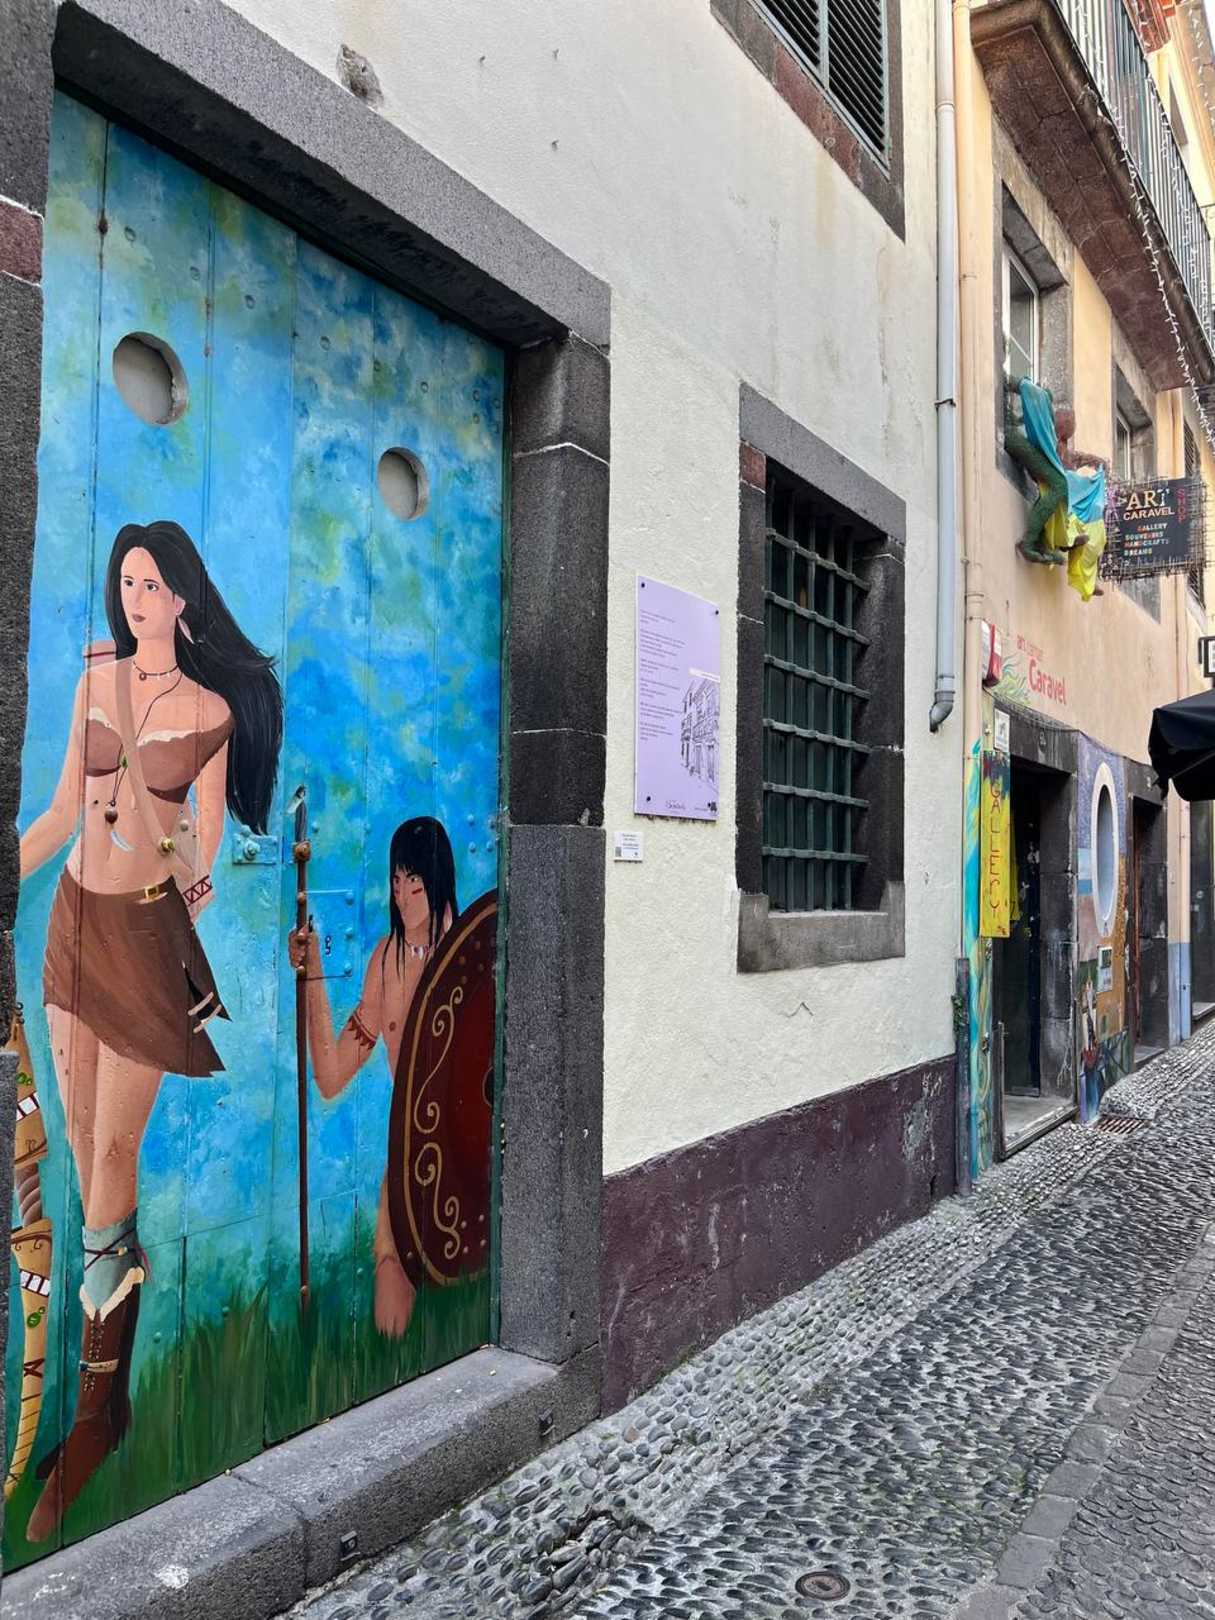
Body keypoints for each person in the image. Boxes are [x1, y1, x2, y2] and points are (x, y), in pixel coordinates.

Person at [18, 520, 282, 1540]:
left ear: (182, 598)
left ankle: (94, 1416)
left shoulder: (211, 712)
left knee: (113, 1157)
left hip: (141, 937)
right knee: (82, 1148)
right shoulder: (96, 682)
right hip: (73, 924)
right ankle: (105, 1395)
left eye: (152, 583)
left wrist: (188, 876)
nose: (136, 598)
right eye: (125, 581)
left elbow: (201, 839)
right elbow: (58, 814)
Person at [289, 817, 457, 1337]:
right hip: (407, 1160)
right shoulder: (386, 961)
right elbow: (331, 1073)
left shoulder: (467, 954)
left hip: (465, 1161)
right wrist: (313, 974)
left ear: (438, 882)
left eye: (415, 883)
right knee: (390, 1314)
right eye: (396, 881)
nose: (402, 896)